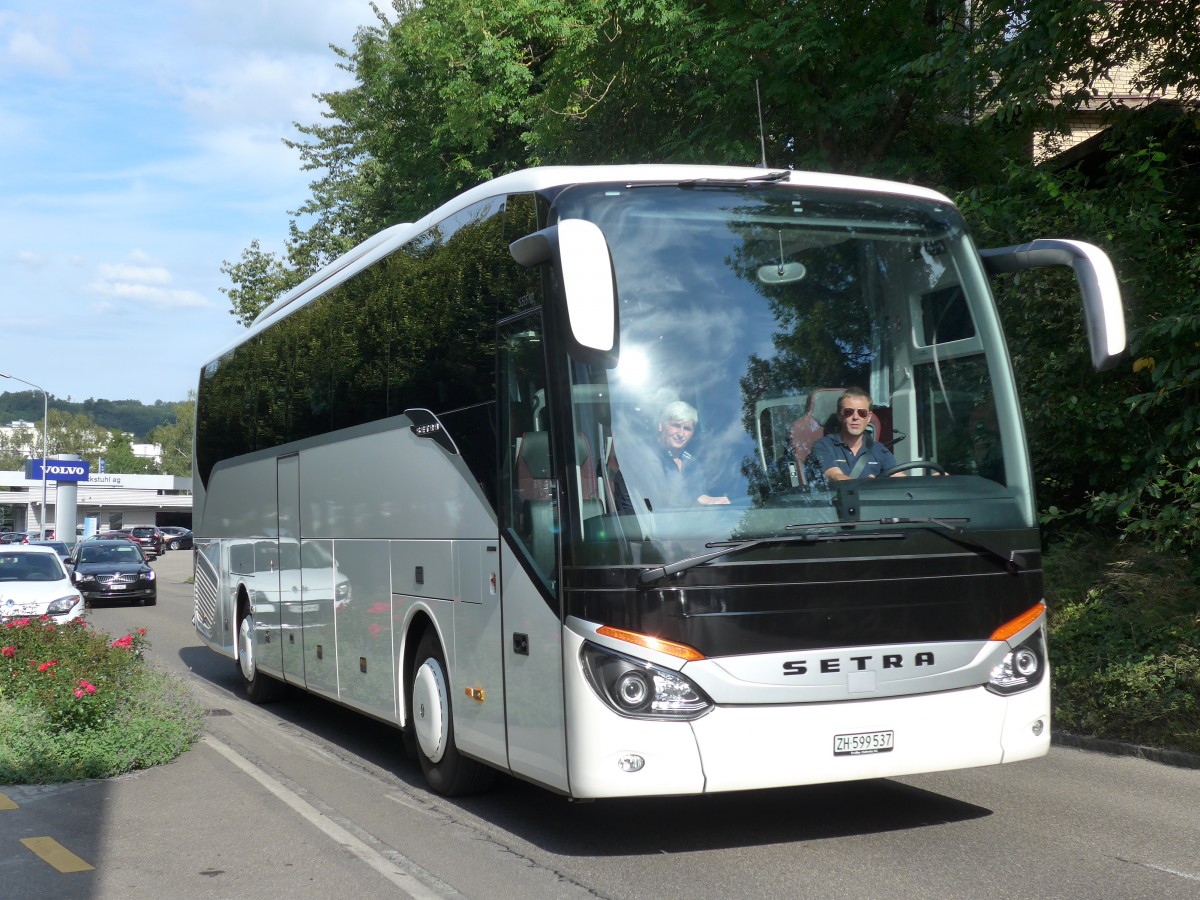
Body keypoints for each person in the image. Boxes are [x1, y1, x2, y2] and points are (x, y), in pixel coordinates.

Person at [808, 388, 900, 481]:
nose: (855, 417)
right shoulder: (823, 446)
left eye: (862, 413)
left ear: (868, 417)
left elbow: (899, 478)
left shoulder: (879, 450)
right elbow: (835, 476)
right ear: (839, 415)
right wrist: (869, 486)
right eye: (848, 412)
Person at [653, 401, 730, 506]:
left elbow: (697, 495)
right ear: (661, 426)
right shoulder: (648, 455)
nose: (680, 434)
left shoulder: (692, 463)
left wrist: (710, 500)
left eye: (687, 429)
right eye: (676, 425)